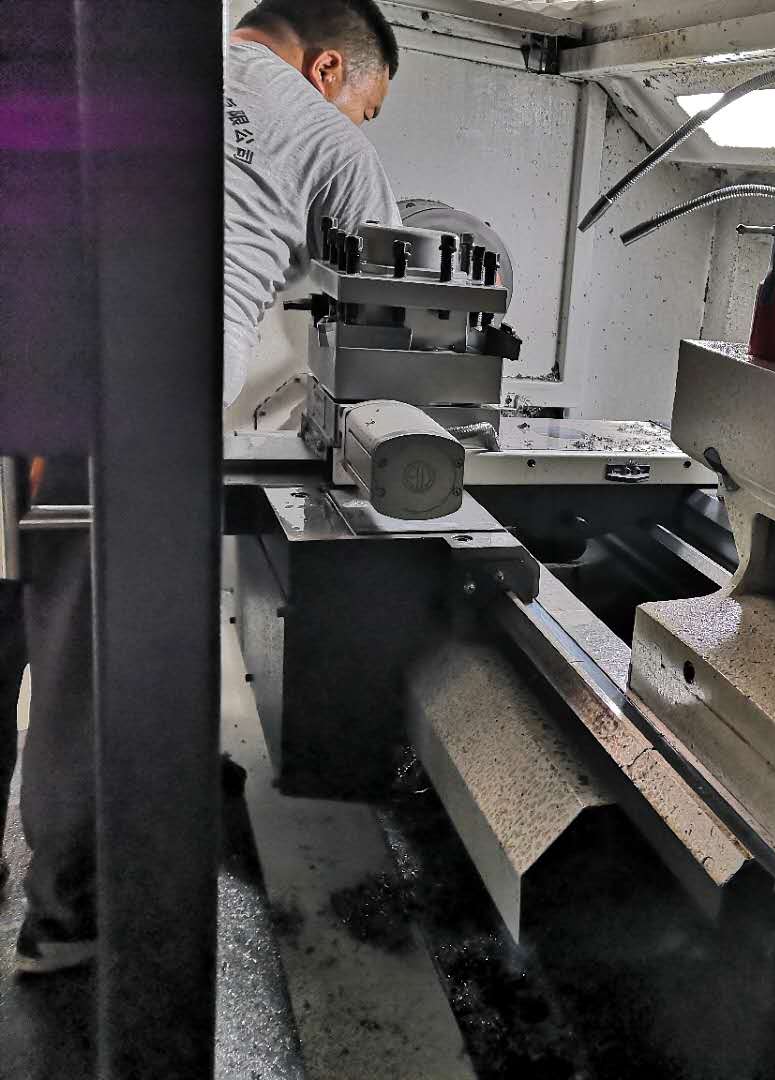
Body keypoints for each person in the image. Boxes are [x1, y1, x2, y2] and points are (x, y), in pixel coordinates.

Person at [0, 0, 403, 976]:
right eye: (368, 105)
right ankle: (69, 917)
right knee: (91, 672)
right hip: (125, 406)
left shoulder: (126, 67)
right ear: (328, 69)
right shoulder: (330, 141)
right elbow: (394, 320)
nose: (361, 125)